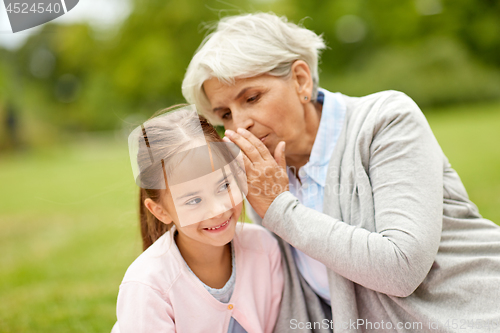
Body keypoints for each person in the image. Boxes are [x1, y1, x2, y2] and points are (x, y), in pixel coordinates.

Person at [181, 12, 500, 333]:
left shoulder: (386, 120)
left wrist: (279, 207)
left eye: (252, 98)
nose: (240, 125)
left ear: (301, 80)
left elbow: (402, 268)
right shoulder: (265, 176)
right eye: (225, 114)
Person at [111, 105, 283, 333]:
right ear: (160, 211)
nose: (217, 210)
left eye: (224, 185)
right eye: (193, 200)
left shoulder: (264, 248)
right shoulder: (148, 285)